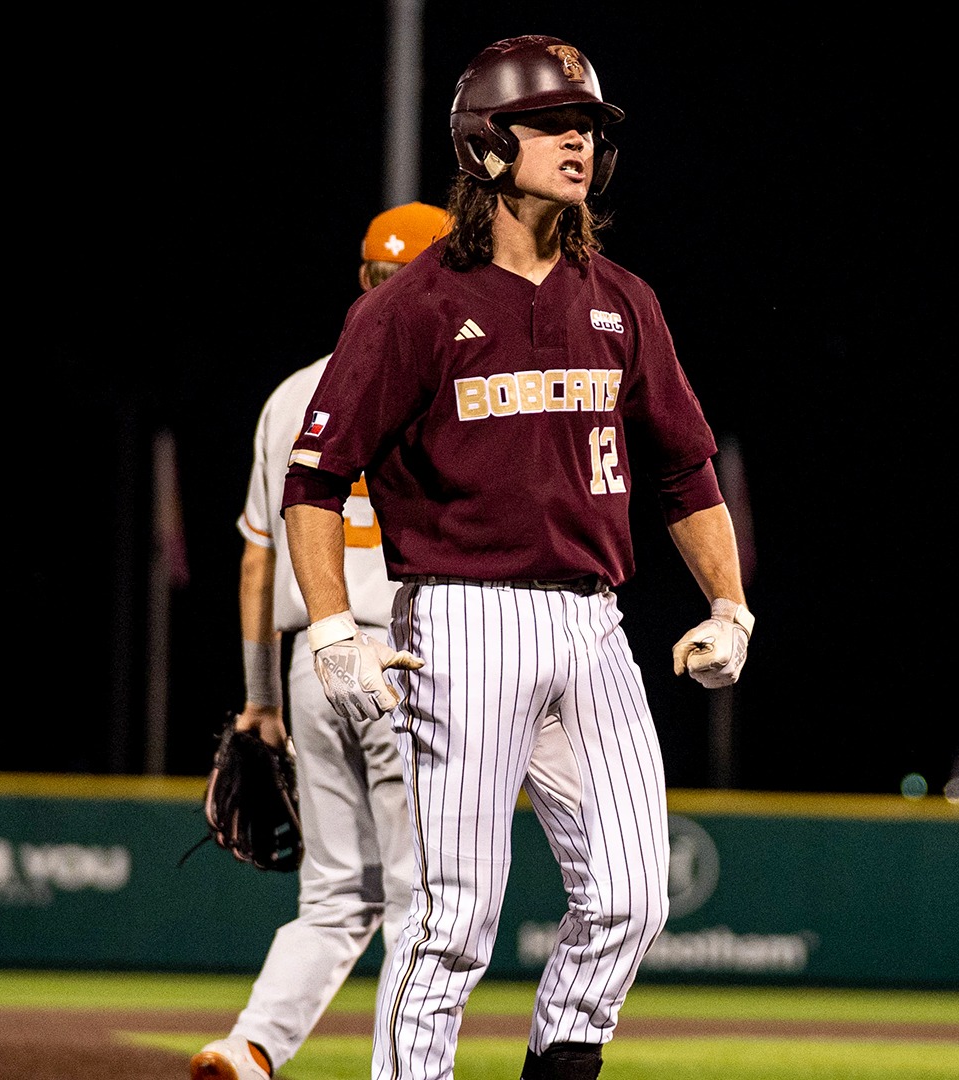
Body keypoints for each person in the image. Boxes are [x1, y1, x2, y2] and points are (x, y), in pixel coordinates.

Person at [280, 35, 756, 1080]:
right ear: (488, 144)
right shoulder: (412, 306)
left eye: (588, 126)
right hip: (460, 615)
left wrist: (729, 604)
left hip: (593, 620)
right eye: (554, 124)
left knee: (635, 895)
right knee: (454, 915)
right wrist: (330, 628)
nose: (581, 142)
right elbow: (313, 481)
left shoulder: (622, 298)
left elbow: (684, 470)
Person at [191, 201, 454, 1080]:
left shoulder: (291, 396)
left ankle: (252, 1044)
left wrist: (261, 699)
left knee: (338, 892)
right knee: (427, 897)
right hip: (410, 656)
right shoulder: (454, 384)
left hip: (312, 660)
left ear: (361, 282)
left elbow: (257, 570)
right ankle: (405, 1069)